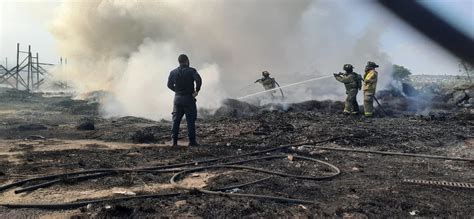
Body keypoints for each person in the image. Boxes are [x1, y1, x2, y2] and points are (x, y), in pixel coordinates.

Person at [167, 54, 202, 146]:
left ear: (179, 62)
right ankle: (192, 142)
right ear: (187, 61)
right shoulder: (191, 71)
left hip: (177, 98)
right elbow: (198, 80)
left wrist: (177, 91)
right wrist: (196, 91)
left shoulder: (173, 72)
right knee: (190, 120)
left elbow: (169, 85)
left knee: (176, 120)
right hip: (188, 98)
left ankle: (174, 141)